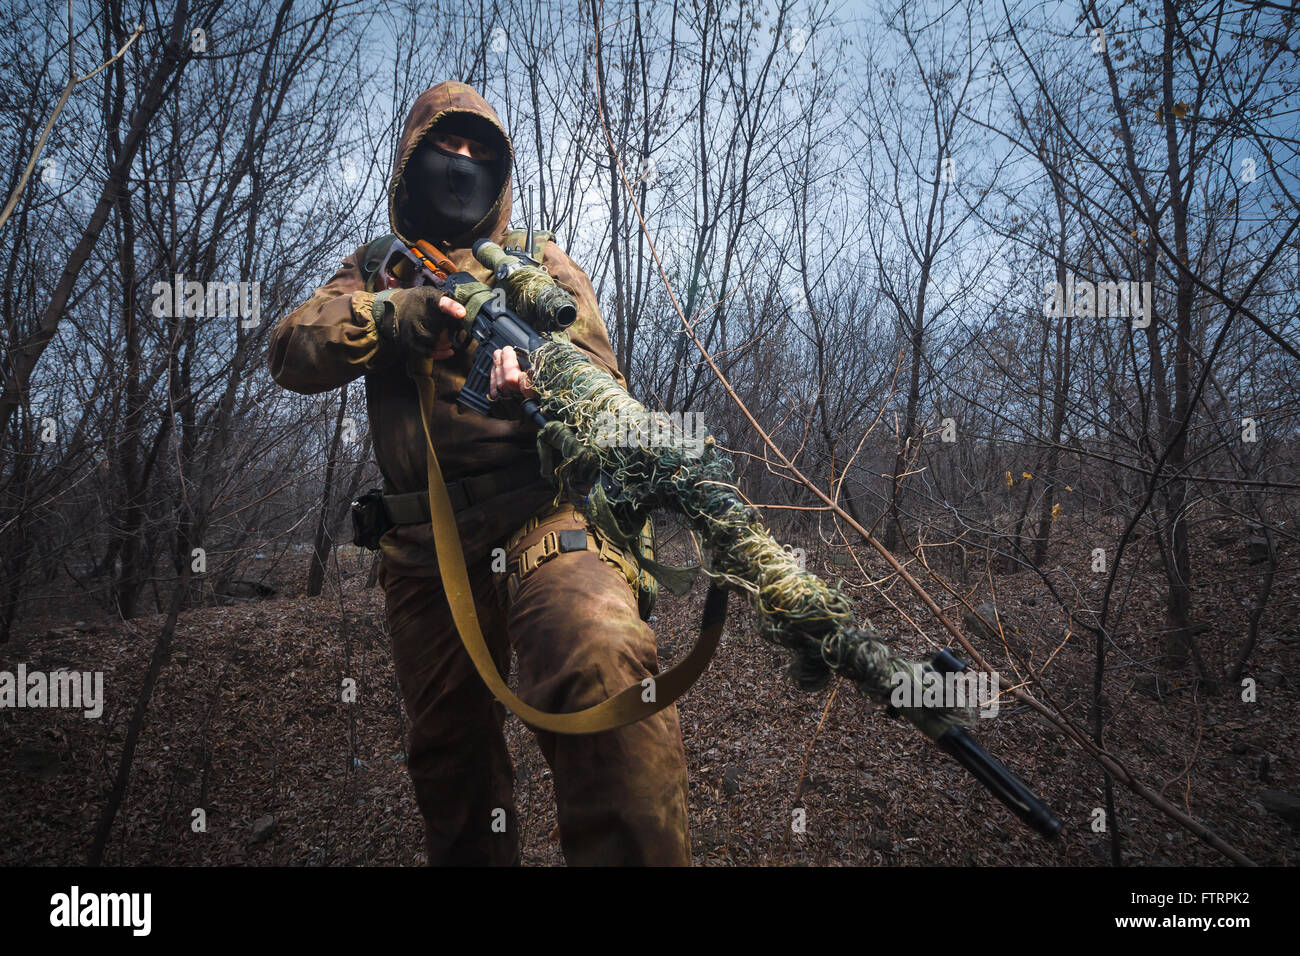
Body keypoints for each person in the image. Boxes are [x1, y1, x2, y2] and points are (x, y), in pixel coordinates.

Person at [268, 81, 691, 865]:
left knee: (600, 660)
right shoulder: (372, 268)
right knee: (450, 764)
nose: (461, 164)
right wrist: (391, 319)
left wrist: (541, 393)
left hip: (541, 513)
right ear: (410, 161)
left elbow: (604, 385)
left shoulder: (537, 261)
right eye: (445, 148)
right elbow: (290, 349)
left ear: (500, 175)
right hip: (424, 549)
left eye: (479, 154)